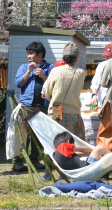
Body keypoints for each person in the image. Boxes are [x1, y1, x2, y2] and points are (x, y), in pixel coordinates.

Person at [12, 41, 53, 172]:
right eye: (28, 54)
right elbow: (18, 83)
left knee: (38, 135)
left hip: (42, 106)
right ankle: (17, 162)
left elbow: (53, 85)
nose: (28, 56)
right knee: (21, 133)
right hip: (25, 105)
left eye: (31, 54)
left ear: (40, 54)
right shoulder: (24, 67)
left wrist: (43, 76)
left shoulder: (50, 67)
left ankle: (34, 159)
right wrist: (29, 71)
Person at [42, 41, 86, 140]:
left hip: (56, 109)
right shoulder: (81, 73)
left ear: (64, 57)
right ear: (77, 58)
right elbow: (78, 91)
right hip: (74, 110)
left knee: (55, 140)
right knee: (72, 141)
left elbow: (48, 91)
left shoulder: (55, 71)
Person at [89, 45, 112, 109]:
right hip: (102, 99)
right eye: (106, 56)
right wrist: (94, 95)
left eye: (109, 56)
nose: (107, 58)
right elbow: (96, 81)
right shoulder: (102, 65)